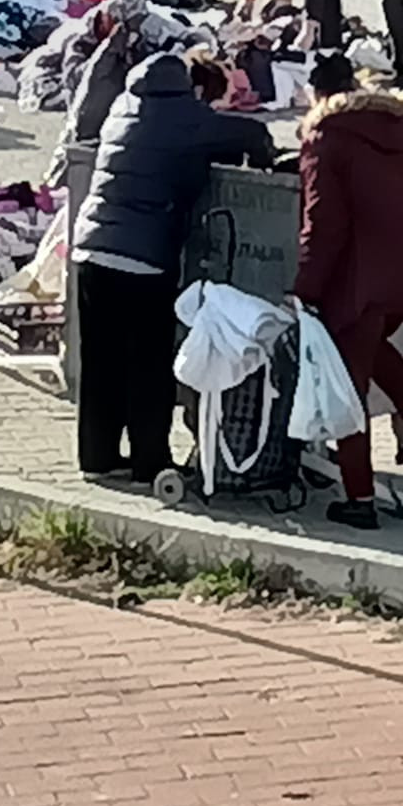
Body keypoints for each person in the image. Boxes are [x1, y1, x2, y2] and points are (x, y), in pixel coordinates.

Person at [71, 53, 274, 483]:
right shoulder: (184, 116)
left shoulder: (124, 107)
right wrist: (264, 156)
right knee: (148, 362)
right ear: (194, 89)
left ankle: (97, 457)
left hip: (91, 250)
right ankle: (151, 462)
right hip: (143, 258)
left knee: (101, 360)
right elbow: (252, 132)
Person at [294, 53, 403, 530]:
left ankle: (360, 499)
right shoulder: (395, 128)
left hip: (362, 277)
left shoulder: (325, 137)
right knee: (369, 347)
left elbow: (322, 224)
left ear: (315, 95)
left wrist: (304, 288)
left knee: (347, 384)